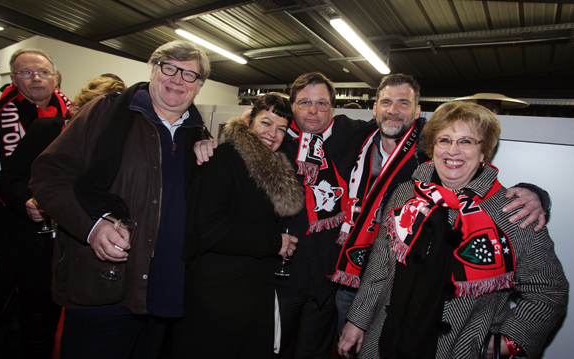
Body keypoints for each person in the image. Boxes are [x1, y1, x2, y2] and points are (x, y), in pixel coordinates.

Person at [193, 73, 547, 358]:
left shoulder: (400, 151)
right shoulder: (280, 140)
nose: (313, 111)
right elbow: (240, 163)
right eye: (304, 103)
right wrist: (214, 140)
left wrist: (535, 195)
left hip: (359, 282)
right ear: (374, 108)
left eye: (322, 103)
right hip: (297, 274)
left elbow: (477, 186)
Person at [338, 101, 568, 359]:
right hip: (384, 341)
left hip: (457, 349)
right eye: (444, 140)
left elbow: (549, 290)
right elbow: (379, 268)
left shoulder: (512, 211)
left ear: (484, 153)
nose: (452, 151)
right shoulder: (405, 195)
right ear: (433, 147)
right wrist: (357, 322)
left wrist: (509, 341)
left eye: (467, 142)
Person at [28, 40, 211, 359]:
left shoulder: (198, 135)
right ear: (154, 70)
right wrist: (92, 227)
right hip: (104, 289)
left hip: (165, 296)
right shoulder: (106, 112)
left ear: (199, 86)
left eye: (189, 75)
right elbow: (48, 175)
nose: (177, 79)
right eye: (169, 68)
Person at [0, 77, 126, 358]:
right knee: (36, 330)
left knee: (85, 337)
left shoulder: (122, 142)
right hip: (44, 252)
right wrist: (26, 201)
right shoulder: (46, 130)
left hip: (91, 257)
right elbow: (9, 177)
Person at [170, 93, 304, 358]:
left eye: (281, 129)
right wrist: (273, 242)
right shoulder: (224, 158)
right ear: (249, 121)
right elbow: (209, 228)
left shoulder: (271, 163)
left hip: (250, 294)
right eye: (266, 123)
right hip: (217, 297)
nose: (272, 134)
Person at [0, 48, 71, 357]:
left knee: (40, 318)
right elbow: (3, 178)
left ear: (56, 78)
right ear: (13, 79)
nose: (36, 78)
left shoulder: (72, 116)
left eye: (43, 72)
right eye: (26, 73)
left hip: (53, 241)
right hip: (6, 230)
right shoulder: (0, 119)